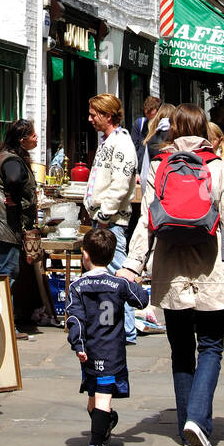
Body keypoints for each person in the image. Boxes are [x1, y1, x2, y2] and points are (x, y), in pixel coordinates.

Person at [118, 103, 224, 446]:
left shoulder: (158, 166)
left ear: (171, 131)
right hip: (211, 272)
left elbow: (146, 224)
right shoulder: (218, 167)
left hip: (170, 273)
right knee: (212, 347)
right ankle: (199, 422)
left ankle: (188, 421)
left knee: (181, 351)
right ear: (205, 129)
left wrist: (132, 266)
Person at [66, 227, 148, 446]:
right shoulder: (118, 284)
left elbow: (75, 319)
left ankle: (101, 432)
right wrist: (131, 278)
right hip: (111, 352)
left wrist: (78, 344)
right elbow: (141, 300)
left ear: (85, 255)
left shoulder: (77, 286)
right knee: (100, 399)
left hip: (89, 351)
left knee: (95, 399)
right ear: (112, 257)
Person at [84, 94, 138, 345]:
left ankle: (126, 331)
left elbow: (120, 183)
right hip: (105, 219)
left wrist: (105, 215)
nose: (90, 119)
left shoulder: (122, 144)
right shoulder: (108, 142)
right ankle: (117, 327)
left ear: (107, 116)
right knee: (108, 274)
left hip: (112, 222)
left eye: (94, 114)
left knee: (117, 275)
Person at [0, 118, 39, 304]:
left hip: (1, 223)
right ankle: (3, 329)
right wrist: (13, 196)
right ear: (22, 140)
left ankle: (3, 326)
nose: (36, 138)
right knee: (6, 272)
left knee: (5, 271)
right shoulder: (11, 159)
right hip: (5, 226)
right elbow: (14, 178)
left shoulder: (5, 155)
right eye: (33, 135)